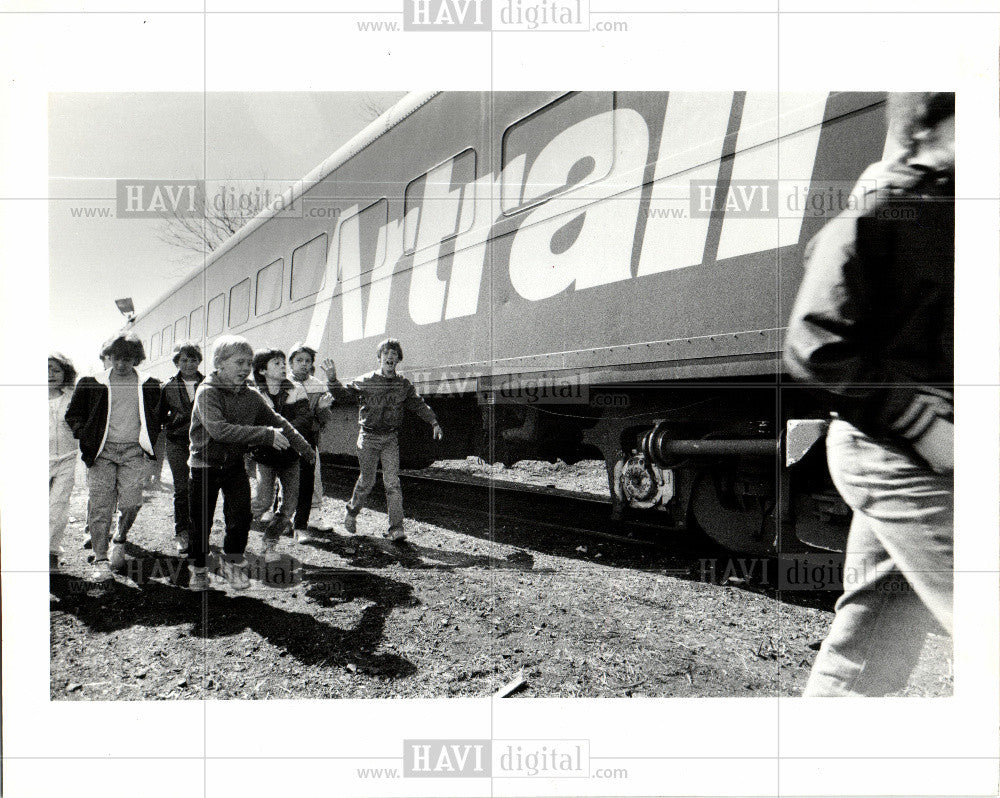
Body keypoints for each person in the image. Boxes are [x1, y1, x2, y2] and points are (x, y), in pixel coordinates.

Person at [784, 92, 955, 696]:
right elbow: (816, 343)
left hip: (929, 447)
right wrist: (920, 421)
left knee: (872, 641)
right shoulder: (885, 214)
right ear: (925, 131)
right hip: (895, 447)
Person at [187, 336, 314, 591]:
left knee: (240, 518)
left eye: (248, 362)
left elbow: (279, 421)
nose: (246, 368)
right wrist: (264, 435)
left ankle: (232, 564)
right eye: (239, 362)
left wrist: (304, 447)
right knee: (201, 523)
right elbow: (219, 430)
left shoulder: (251, 395)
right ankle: (199, 569)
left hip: (234, 466)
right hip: (204, 467)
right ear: (219, 363)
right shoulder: (207, 391)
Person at [322, 337, 442, 543]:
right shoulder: (366, 381)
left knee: (392, 483)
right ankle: (351, 512)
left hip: (390, 439)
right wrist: (332, 380)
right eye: (386, 353)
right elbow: (342, 395)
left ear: (398, 360)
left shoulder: (403, 385)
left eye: (394, 354)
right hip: (368, 438)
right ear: (379, 358)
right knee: (367, 481)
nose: (390, 357)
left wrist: (433, 422)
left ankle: (396, 528)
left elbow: (418, 404)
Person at [65, 333, 162, 582]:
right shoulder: (91, 383)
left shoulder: (150, 384)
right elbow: (73, 414)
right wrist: (85, 435)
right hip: (102, 454)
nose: (120, 364)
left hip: (133, 452)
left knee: (131, 503)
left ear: (136, 359)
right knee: (100, 506)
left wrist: (152, 452)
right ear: (108, 357)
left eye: (127, 359)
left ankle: (119, 538)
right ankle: (100, 560)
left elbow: (159, 418)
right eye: (116, 358)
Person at [248, 348, 315, 549]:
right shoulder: (255, 394)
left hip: (290, 456)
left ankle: (270, 539)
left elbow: (304, 419)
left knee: (289, 506)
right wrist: (270, 435)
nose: (283, 366)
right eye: (276, 363)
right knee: (263, 500)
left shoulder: (296, 389)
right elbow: (251, 425)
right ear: (262, 371)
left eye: (283, 363)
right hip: (265, 456)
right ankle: (238, 519)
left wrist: (285, 435)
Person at [156, 342, 205, 556]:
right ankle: (181, 532)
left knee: (201, 488)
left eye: (193, 359)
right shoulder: (168, 387)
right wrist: (172, 420)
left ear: (199, 361)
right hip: (176, 443)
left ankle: (199, 532)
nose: (189, 364)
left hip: (203, 443)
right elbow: (158, 417)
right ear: (177, 362)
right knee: (182, 488)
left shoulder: (208, 384)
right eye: (184, 360)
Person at [287, 342, 334, 533]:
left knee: (314, 478)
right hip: (287, 438)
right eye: (299, 360)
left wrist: (323, 409)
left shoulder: (318, 385)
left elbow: (324, 420)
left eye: (307, 361)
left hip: (309, 439)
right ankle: (285, 517)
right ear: (291, 363)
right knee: (287, 478)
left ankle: (314, 516)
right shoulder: (283, 383)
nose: (304, 364)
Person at [49, 352, 79, 571]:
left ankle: (51, 551)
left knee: (58, 507)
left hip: (67, 458)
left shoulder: (71, 398)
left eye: (56, 370)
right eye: (45, 370)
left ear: (65, 373)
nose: (50, 374)